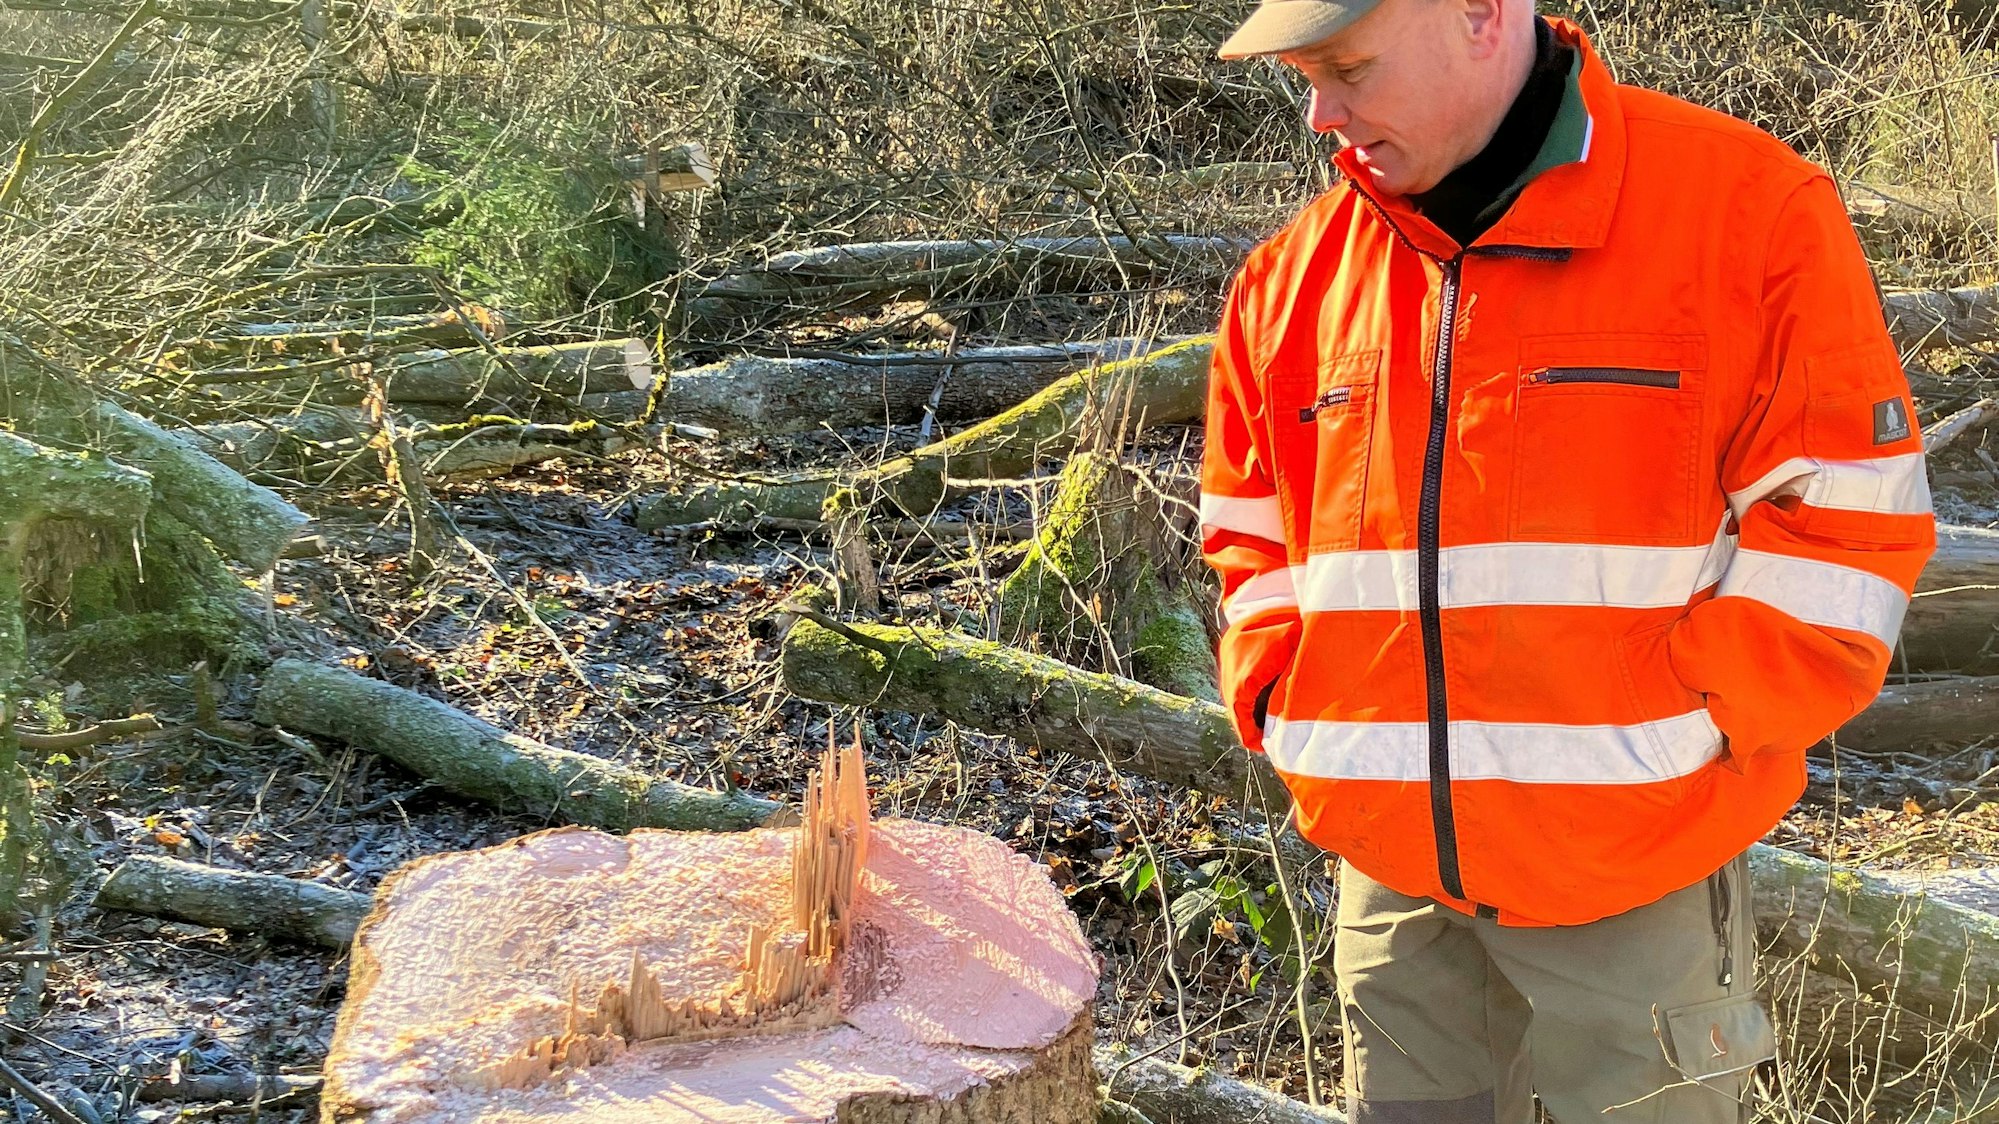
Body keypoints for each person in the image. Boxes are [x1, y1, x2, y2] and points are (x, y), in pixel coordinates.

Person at [1197, 0, 1939, 1120]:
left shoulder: (1744, 212)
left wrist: (1689, 724)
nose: (1320, 114)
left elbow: (1848, 523)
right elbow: (1248, 529)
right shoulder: (1288, 280)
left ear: (1480, 15)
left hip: (1630, 875)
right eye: (1305, 76)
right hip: (1393, 882)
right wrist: (1291, 707)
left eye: (1347, 67)